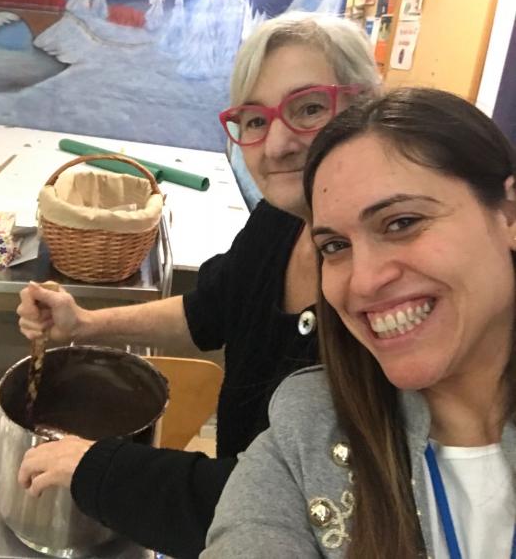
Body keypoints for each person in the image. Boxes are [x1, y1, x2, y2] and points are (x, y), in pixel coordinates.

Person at [16, 11, 380, 559]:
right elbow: (206, 310)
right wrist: (84, 323)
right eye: (253, 120)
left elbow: (294, 500)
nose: (277, 145)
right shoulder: (278, 223)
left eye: (309, 108)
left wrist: (99, 469)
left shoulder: (379, 295)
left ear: (366, 106)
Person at [202, 87, 516, 559]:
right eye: (335, 246)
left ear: (508, 214)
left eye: (401, 222)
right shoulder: (306, 434)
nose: (365, 282)